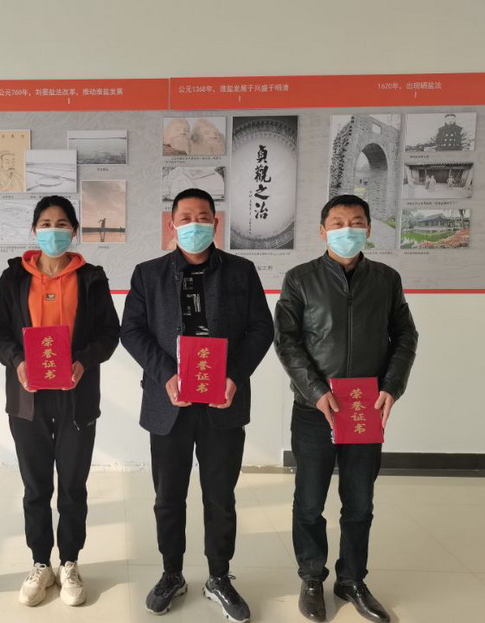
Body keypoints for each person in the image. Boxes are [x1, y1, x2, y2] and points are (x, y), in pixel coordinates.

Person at [121, 188, 273, 621]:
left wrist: (234, 375)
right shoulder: (148, 274)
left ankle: (219, 577)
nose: (194, 224)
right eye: (185, 217)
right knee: (168, 497)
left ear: (215, 223)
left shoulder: (241, 272)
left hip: (222, 402)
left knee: (220, 496)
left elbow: (261, 329)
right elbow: (131, 331)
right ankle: (172, 573)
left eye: (203, 216)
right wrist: (166, 375)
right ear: (172, 225)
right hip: (168, 403)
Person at [273, 194, 417, 623]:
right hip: (314, 408)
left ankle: (352, 580)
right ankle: (311, 578)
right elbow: (286, 340)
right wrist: (316, 390)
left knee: (359, 503)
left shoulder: (386, 280)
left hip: (363, 408)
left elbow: (405, 336)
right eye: (337, 223)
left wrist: (391, 386)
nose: (347, 229)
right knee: (309, 502)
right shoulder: (300, 279)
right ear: (322, 231)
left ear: (369, 229)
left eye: (356, 222)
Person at [0, 196, 120, 608]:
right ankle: (40, 562)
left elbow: (109, 333)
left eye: (62, 224)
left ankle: (70, 562)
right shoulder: (13, 278)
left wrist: (83, 361)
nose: (53, 230)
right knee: (35, 485)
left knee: (73, 486)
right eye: (45, 223)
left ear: (74, 231)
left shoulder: (91, 278)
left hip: (76, 397)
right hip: (27, 399)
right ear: (34, 230)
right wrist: (17, 360)